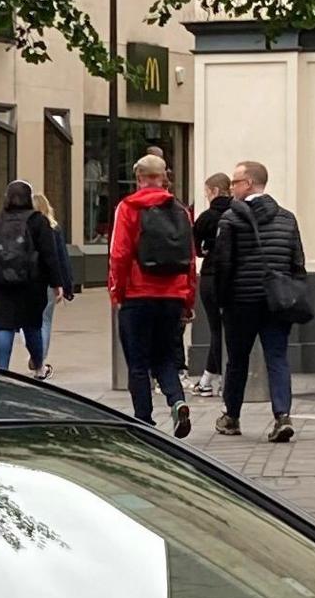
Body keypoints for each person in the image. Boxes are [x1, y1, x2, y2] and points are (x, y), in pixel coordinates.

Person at [212, 160, 305, 440]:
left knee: (237, 360)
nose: (231, 188)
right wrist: (293, 293)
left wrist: (221, 299)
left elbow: (223, 265)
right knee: (277, 357)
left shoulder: (230, 219)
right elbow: (297, 262)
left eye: (235, 182)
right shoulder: (287, 218)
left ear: (249, 183)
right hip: (277, 301)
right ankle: (282, 416)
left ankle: (232, 417)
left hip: (241, 301)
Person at [107, 152, 198, 433]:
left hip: (137, 294)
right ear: (164, 178)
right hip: (172, 295)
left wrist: (116, 292)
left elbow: (119, 254)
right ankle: (177, 400)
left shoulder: (128, 208)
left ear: (138, 179)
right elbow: (190, 260)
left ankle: (144, 420)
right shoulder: (181, 211)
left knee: (138, 362)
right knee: (165, 357)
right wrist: (187, 299)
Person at [0, 180, 70, 376]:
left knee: (3, 327)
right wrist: (57, 283)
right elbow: (50, 255)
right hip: (32, 284)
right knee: (32, 326)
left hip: (1, 284)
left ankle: (2, 370)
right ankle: (39, 366)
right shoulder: (38, 221)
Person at [185, 168, 240, 394]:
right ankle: (213, 377)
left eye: (207, 192)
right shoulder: (240, 212)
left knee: (216, 329)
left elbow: (195, 248)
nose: (207, 197)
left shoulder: (207, 217)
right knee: (231, 328)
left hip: (211, 277)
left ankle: (211, 380)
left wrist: (207, 248)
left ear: (215, 191)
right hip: (236, 277)